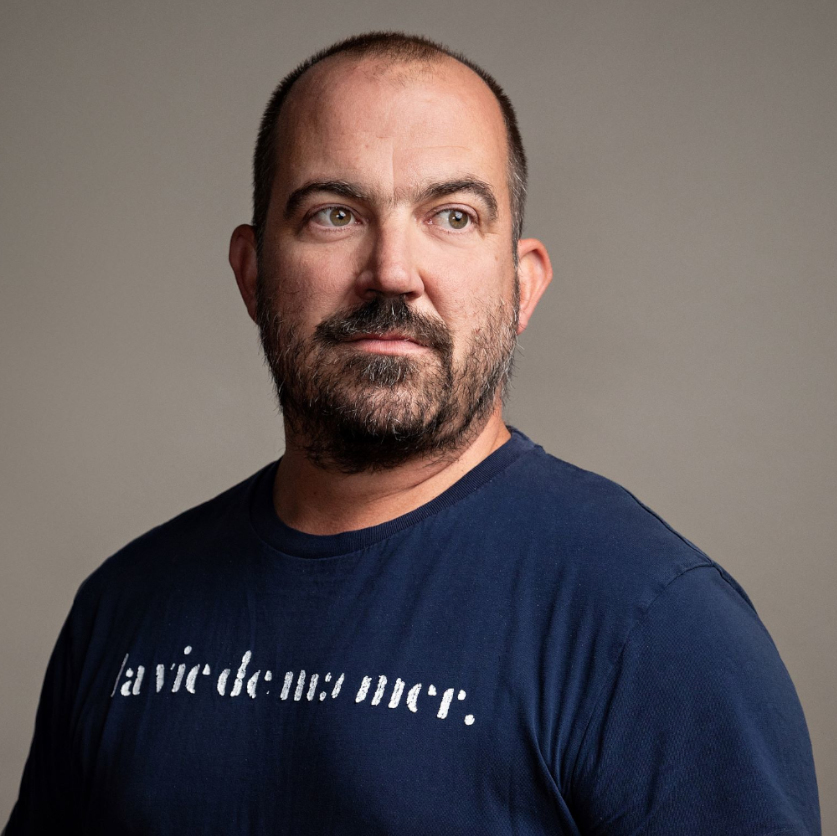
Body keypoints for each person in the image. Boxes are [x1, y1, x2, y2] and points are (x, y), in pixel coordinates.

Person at [6, 32, 820, 836]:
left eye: (452, 216)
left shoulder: (653, 628)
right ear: (253, 274)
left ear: (520, 284)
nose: (392, 270)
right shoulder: (127, 606)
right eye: (333, 214)